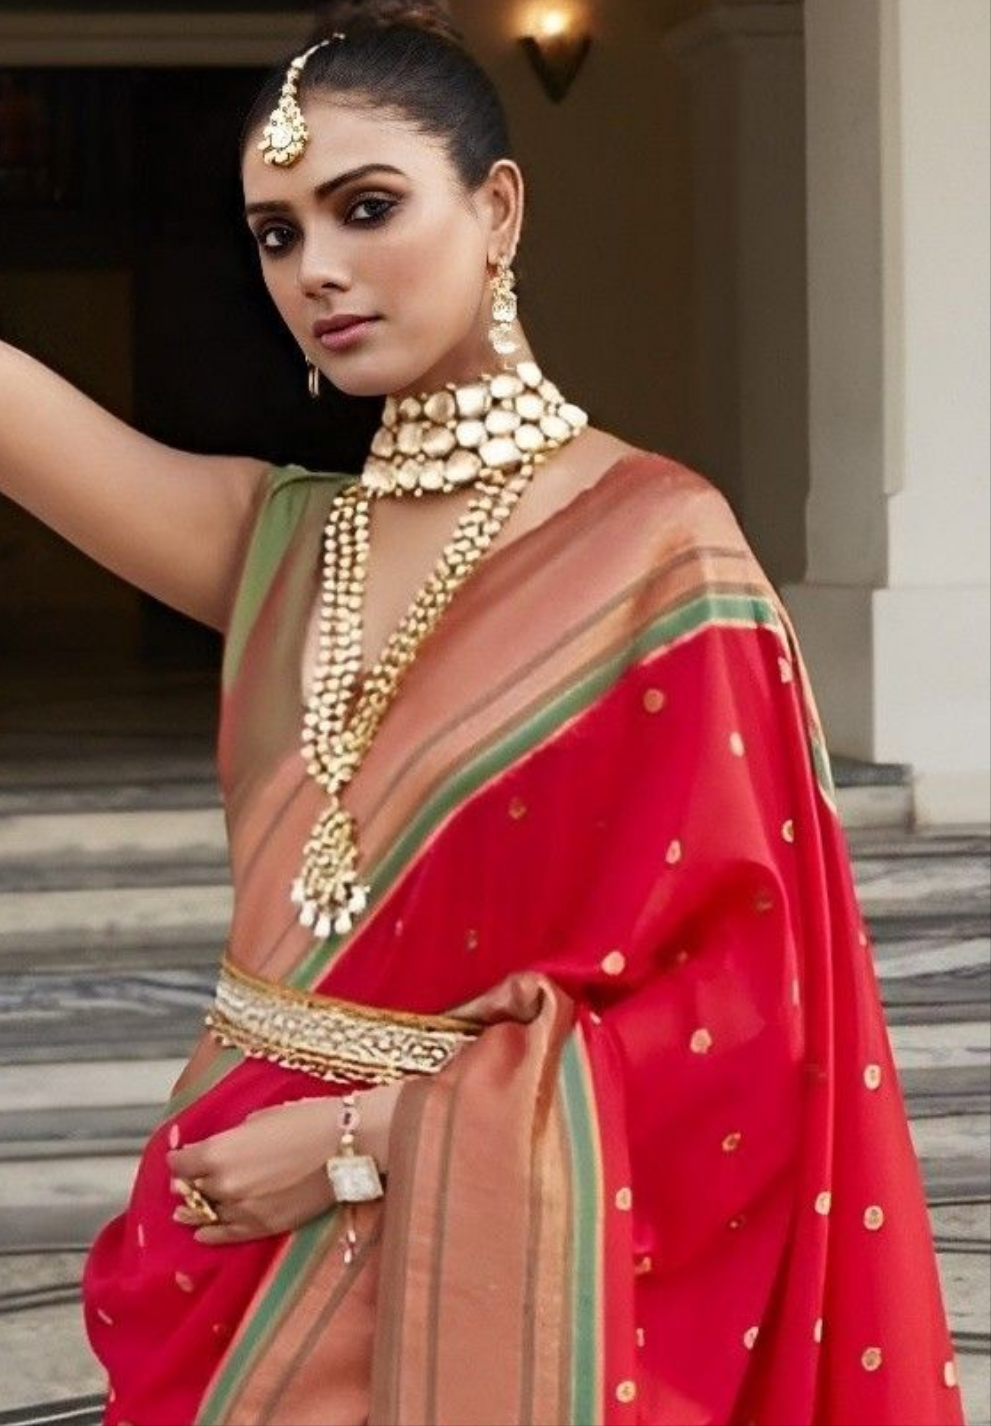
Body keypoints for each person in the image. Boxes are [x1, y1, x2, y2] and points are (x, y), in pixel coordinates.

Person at [0, 3, 965, 1423]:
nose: (316, 269)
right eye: (276, 233)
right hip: (225, 1234)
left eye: (365, 207)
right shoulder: (278, 542)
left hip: (493, 1245)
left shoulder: (656, 552)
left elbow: (744, 1017)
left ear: (495, 207)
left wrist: (348, 1142)